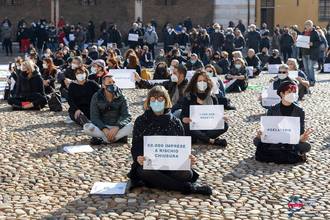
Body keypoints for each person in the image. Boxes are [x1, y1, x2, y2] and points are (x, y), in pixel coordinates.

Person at [127, 86, 212, 195]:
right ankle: (182, 187)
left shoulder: (175, 122)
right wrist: (138, 157)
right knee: (143, 171)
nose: (156, 102)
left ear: (166, 101)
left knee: (187, 173)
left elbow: (181, 147)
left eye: (160, 99)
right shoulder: (141, 120)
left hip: (172, 166)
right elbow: (136, 145)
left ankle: (158, 182)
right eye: (153, 99)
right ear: (148, 102)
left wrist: (188, 159)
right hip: (151, 165)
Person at [254, 80, 312, 164]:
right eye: (289, 92)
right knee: (257, 141)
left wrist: (302, 137)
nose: (292, 94)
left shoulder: (300, 111)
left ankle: (277, 152)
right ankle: (286, 152)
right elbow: (267, 129)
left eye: (294, 92)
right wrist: (261, 134)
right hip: (275, 140)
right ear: (281, 94)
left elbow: (300, 131)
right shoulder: (272, 109)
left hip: (291, 141)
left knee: (306, 146)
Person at [180, 70, 228, 147]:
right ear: (195, 82)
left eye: (204, 81)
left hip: (208, 127)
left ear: (208, 82)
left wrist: (221, 117)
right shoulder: (189, 97)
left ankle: (201, 137)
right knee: (187, 126)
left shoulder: (212, 97)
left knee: (224, 125)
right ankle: (210, 140)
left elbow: (216, 114)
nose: (202, 83)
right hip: (194, 127)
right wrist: (184, 119)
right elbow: (182, 115)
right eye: (199, 81)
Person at [83, 73, 132, 144]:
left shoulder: (121, 97)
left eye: (113, 82)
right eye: (109, 82)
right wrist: (104, 129)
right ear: (103, 85)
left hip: (117, 126)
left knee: (131, 126)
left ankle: (104, 139)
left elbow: (126, 115)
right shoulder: (96, 96)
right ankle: (116, 138)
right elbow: (94, 117)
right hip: (102, 126)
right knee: (87, 128)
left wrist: (117, 127)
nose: (112, 84)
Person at [301, 20, 321, 86]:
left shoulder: (315, 33)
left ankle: (312, 80)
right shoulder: (303, 32)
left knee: (310, 67)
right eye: (306, 25)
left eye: (309, 25)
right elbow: (301, 41)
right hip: (304, 52)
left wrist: (313, 43)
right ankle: (308, 80)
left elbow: (319, 42)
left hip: (311, 53)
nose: (307, 27)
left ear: (312, 25)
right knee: (306, 68)